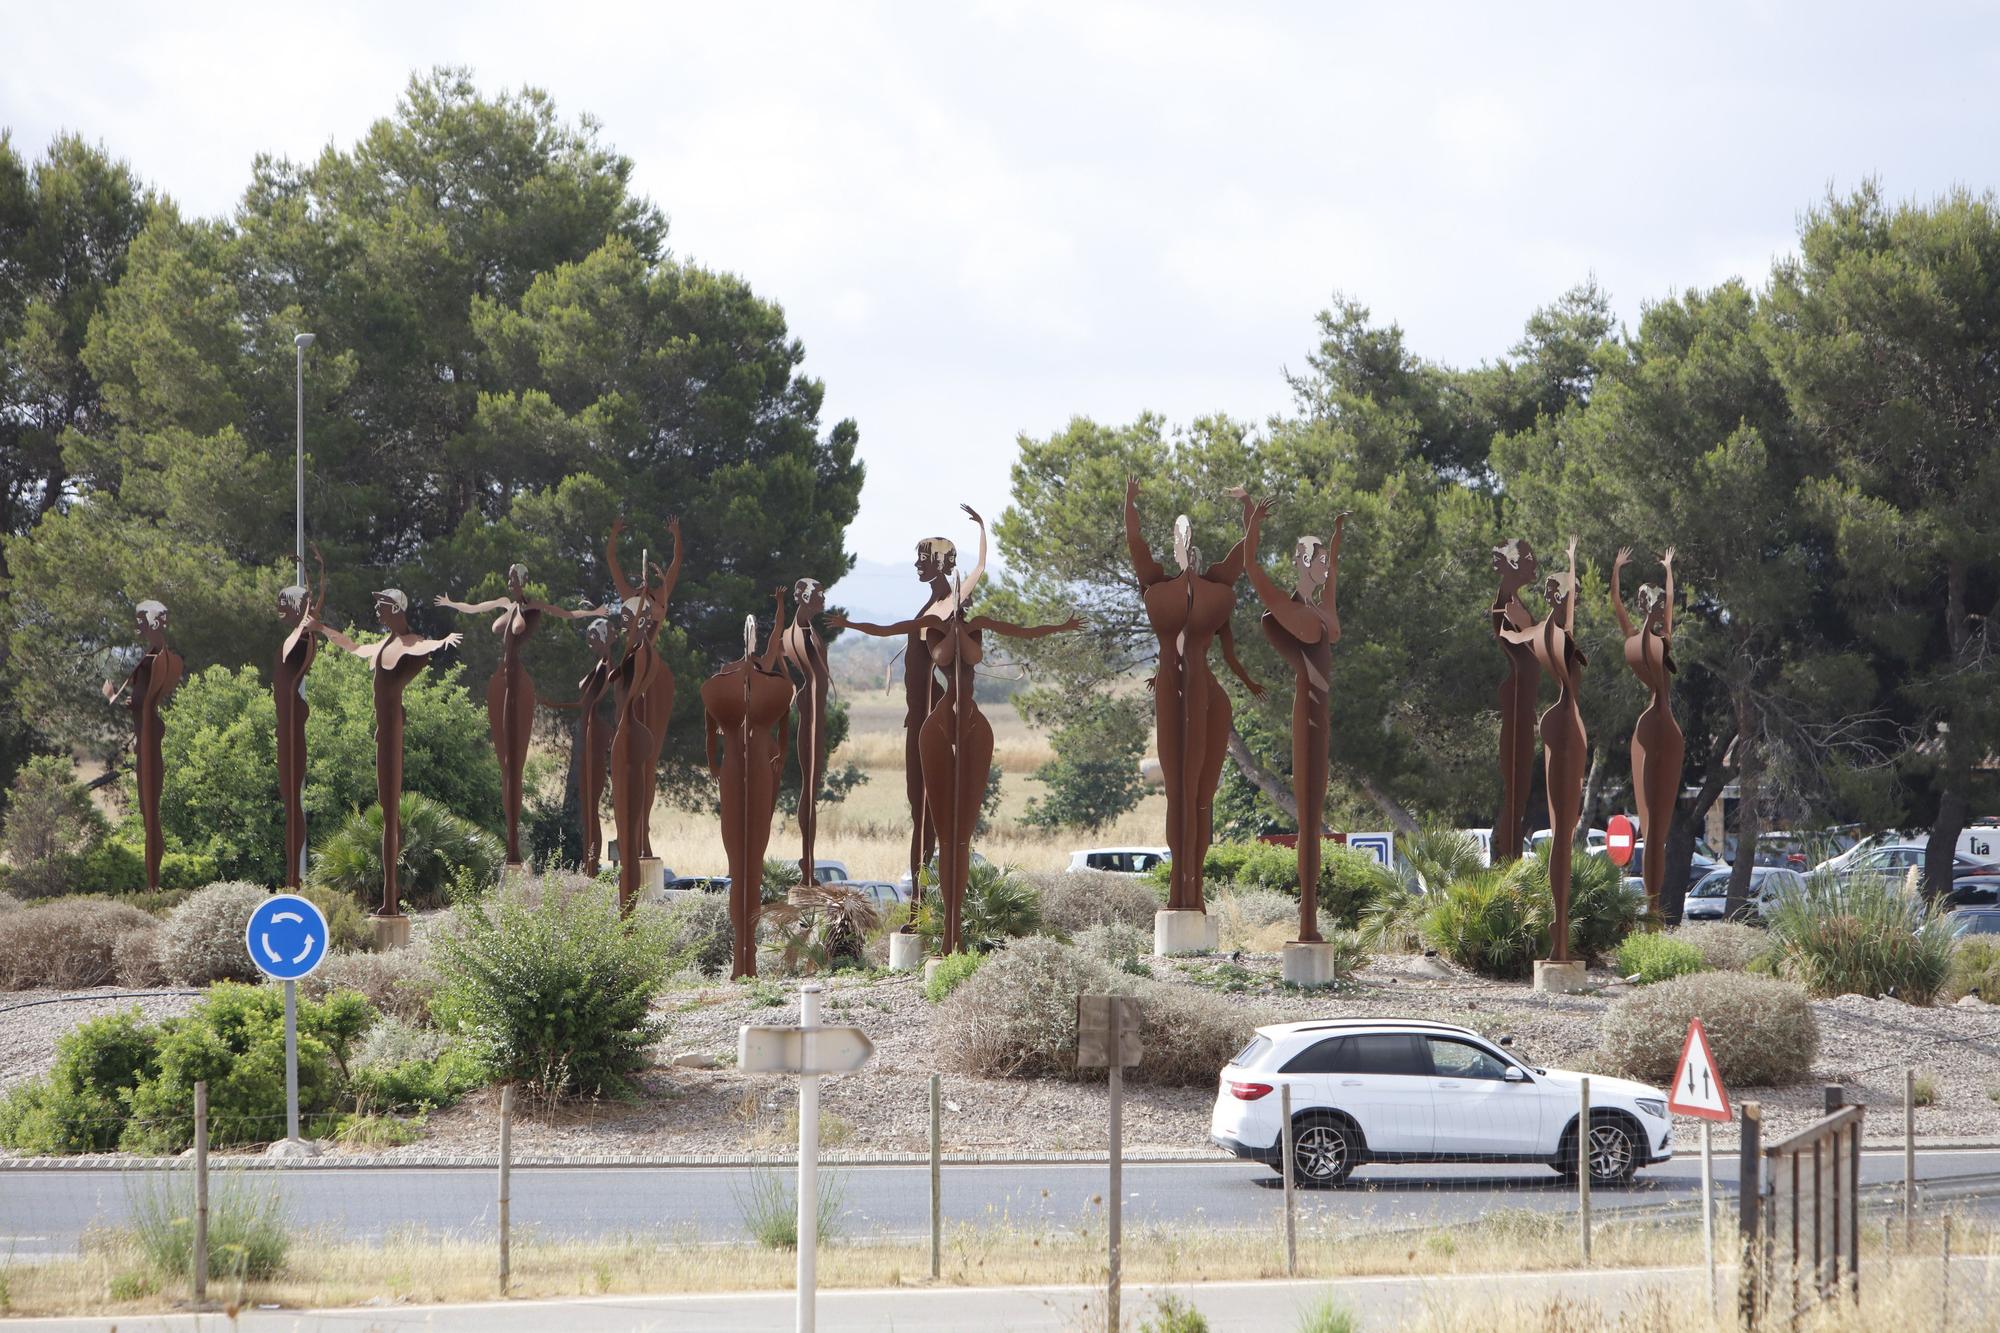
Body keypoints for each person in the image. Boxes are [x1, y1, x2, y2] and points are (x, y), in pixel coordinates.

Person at [831, 586, 1080, 955]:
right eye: (959, 600)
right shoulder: (932, 625)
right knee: (943, 830)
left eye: (965, 599)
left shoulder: (976, 625)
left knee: (962, 834)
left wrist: (1062, 626)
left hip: (973, 725)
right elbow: (891, 628)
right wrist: (848, 623)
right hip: (940, 722)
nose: (963, 603)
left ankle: (955, 932)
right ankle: (947, 930)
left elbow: (1021, 632)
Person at [1125, 480, 1262, 915]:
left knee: (1201, 795)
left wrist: (1249, 507)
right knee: (1176, 792)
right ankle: (1177, 892)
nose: (1182, 543)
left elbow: (1244, 552)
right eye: (1176, 537)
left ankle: (1195, 891)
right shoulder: (1158, 586)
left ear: (1195, 551)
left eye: (1187, 538)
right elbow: (1135, 545)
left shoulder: (1215, 589)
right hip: (1171, 690)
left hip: (1206, 695)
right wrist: (1129, 504)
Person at [1236, 489, 1347, 943]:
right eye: (1317, 560)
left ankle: (1311, 922)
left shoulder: (1321, 607)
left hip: (1325, 712)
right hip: (1308, 715)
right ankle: (1306, 924)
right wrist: (1252, 523)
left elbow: (1336, 574)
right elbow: (1251, 568)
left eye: (1325, 561)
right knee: (1308, 817)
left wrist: (1338, 537)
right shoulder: (1289, 608)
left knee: (1316, 812)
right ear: (1302, 562)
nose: (1324, 568)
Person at [310, 592, 462, 919]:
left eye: (380, 607)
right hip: (383, 733)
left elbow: (421, 647)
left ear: (396, 608)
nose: (376, 612)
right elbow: (352, 647)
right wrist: (321, 628)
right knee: (385, 808)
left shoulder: (409, 642)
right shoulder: (384, 645)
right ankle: (389, 895)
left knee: (390, 812)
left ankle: (390, 898)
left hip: (393, 731)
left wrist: (442, 641)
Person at [435, 564, 599, 864]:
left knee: (516, 765)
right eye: (508, 577)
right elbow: (475, 608)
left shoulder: (532, 607)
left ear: (524, 581)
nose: (510, 582)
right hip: (501, 679)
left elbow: (565, 614)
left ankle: (514, 847)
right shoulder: (504, 603)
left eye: (515, 578)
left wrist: (593, 613)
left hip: (518, 681)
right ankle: (510, 840)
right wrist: (451, 604)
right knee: (504, 767)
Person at [1499, 538, 1587, 961]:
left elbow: (1530, 633)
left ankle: (1560, 927)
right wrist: (1514, 619)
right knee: (1560, 834)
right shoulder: (1550, 631)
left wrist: (1571, 565)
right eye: (1552, 589)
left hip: (1564, 728)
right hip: (1560, 726)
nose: (1551, 593)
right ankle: (1558, 928)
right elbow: (1517, 634)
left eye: (1556, 589)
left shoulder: (1553, 632)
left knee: (1563, 833)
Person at [703, 592, 795, 978]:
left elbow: (786, 729)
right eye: (749, 628)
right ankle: (741, 959)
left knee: (751, 864)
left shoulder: (769, 679)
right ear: (743, 634)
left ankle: (749, 958)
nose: (752, 634)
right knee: (738, 866)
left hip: (757, 770)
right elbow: (710, 735)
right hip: (735, 773)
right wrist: (715, 767)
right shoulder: (723, 678)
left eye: (756, 629)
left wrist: (778, 609)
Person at [897, 507, 987, 902]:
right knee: (919, 810)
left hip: (932, 721)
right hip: (915, 719)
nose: (917, 564)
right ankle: (923, 894)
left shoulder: (950, 607)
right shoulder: (931, 608)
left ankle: (926, 898)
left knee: (929, 812)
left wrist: (983, 531)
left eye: (923, 558)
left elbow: (979, 569)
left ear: (939, 563)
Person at [604, 517, 681, 865]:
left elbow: (676, 569)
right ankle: (628, 833)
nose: (640, 582)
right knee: (626, 754)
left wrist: (675, 543)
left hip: (653, 672)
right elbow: (613, 564)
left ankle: (643, 832)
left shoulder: (658, 599)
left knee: (649, 760)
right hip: (630, 669)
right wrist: (614, 535)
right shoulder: (628, 598)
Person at [1611, 546, 1682, 922]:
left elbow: (1669, 605)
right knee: (1648, 822)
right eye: (1648, 600)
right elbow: (1617, 606)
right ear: (1641, 605)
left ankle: (1655, 911)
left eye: (1656, 600)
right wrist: (1617, 571)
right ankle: (1651, 909)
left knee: (1661, 830)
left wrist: (1668, 570)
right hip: (1648, 729)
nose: (1655, 605)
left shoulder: (1663, 636)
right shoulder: (1634, 636)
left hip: (1667, 728)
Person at [103, 600, 183, 893]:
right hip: (148, 735)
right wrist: (130, 703)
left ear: (154, 623)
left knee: (150, 813)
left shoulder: (156, 658)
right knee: (148, 811)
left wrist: (112, 697)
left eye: (141, 621)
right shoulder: (160, 657)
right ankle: (153, 883)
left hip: (149, 738)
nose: (137, 626)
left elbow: (145, 701)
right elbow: (143, 701)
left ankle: (153, 885)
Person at [546, 617, 618, 876]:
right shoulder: (601, 664)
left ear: (604, 638)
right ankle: (589, 863)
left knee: (591, 807)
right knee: (588, 809)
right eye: (588, 638)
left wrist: (553, 704)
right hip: (590, 732)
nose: (589, 643)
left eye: (593, 638)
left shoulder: (608, 666)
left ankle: (592, 865)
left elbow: (590, 702)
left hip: (596, 734)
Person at [273, 556, 327, 887]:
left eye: (284, 603)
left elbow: (315, 604)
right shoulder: (294, 634)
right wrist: (310, 570)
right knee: (288, 796)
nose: (279, 607)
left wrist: (314, 571)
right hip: (286, 719)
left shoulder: (303, 634)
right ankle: (292, 874)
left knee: (293, 798)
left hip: (293, 718)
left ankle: (295, 877)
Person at [1490, 538, 1542, 862]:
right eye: (1526, 558)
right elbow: (1535, 653)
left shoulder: (1514, 603)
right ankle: (1509, 868)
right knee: (1515, 795)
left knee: (1519, 795)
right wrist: (1533, 631)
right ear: (1511, 564)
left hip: (1523, 706)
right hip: (1518, 706)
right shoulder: (1507, 607)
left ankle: (1512, 865)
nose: (1533, 562)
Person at [779, 577, 831, 888]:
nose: (823, 597)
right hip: (810, 714)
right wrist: (796, 691)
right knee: (809, 787)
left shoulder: (806, 631)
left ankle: (808, 860)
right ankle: (806, 863)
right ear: (804, 597)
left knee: (812, 786)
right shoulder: (797, 634)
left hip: (815, 711)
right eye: (818, 593)